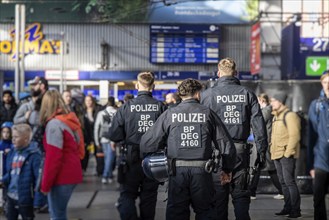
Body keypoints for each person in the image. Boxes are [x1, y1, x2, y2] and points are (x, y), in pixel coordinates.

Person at [140, 78, 236, 220]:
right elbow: (226, 145)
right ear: (198, 94)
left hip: (177, 172)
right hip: (202, 173)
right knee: (205, 212)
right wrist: (227, 170)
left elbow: (147, 143)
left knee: (176, 213)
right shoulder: (207, 113)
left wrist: (163, 147)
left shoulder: (169, 114)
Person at [200, 57, 267, 220]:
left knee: (218, 199)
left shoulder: (208, 95)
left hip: (217, 154)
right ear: (235, 73)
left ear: (218, 73)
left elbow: (202, 128)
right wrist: (262, 153)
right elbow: (259, 125)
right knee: (241, 196)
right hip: (240, 152)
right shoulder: (247, 94)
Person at [108, 71, 166, 220]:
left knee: (127, 194)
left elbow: (114, 135)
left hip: (130, 157)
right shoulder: (160, 107)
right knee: (149, 197)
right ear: (152, 86)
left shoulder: (126, 107)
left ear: (136, 85)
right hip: (154, 159)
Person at [39, 90, 85, 220]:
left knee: (56, 215)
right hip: (72, 172)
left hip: (61, 176)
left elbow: (53, 158)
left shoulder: (54, 125)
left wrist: (45, 184)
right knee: (60, 213)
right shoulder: (68, 121)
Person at [270, 92, 301, 218]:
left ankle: (296, 210)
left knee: (289, 182)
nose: (272, 103)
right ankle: (287, 207)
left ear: (280, 101)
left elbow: (295, 136)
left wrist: (287, 153)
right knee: (283, 182)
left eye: (273, 100)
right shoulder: (276, 116)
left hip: (285, 155)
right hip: (276, 154)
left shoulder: (290, 115)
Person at [2, 124, 42, 220]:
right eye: (13, 137)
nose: (13, 140)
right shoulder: (12, 153)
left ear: (26, 138)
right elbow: (11, 173)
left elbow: (38, 180)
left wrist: (38, 201)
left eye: (16, 137)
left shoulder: (34, 155)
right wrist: (3, 180)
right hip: (11, 195)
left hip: (25, 198)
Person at [249, 93, 283, 200]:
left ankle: (282, 191)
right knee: (261, 167)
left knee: (268, 168)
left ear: (262, 100)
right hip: (264, 143)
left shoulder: (266, 111)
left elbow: (257, 122)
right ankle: (252, 192)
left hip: (264, 143)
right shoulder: (267, 110)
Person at [307, 70, 329, 220]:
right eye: (325, 82)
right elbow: (311, 136)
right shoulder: (316, 105)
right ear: (321, 83)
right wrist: (310, 165)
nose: (328, 85)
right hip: (321, 160)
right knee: (318, 198)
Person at [94, 96, 117, 184]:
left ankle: (108, 174)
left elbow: (96, 128)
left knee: (108, 158)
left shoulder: (101, 113)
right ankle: (106, 175)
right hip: (113, 139)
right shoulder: (116, 112)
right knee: (110, 158)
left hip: (103, 138)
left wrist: (96, 140)